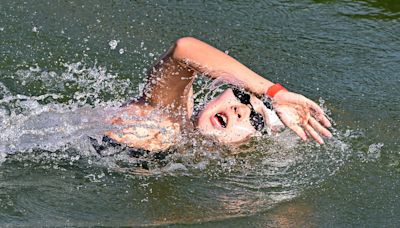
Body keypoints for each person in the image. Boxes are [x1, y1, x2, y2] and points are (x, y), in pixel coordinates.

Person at [104, 37, 332, 152]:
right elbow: (184, 48)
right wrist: (274, 93)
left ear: (243, 148)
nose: (240, 109)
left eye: (255, 119)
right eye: (243, 97)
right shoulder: (170, 114)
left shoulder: (188, 153)